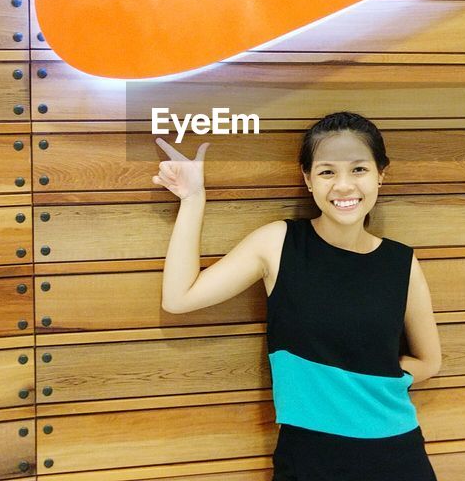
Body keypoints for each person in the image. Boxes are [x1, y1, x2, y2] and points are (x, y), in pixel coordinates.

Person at [154, 111, 442, 480]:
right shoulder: (278, 243)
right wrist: (193, 199)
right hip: (309, 459)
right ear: (307, 179)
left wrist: (370, 383)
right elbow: (179, 298)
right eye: (326, 171)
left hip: (398, 456)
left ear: (380, 174)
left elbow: (429, 362)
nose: (343, 186)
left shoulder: (401, 262)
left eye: (358, 169)